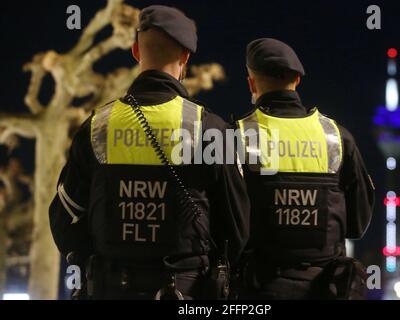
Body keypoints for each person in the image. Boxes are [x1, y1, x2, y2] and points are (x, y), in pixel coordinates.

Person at [49, 5, 250, 300]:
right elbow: (238, 228)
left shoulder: (96, 128)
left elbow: (65, 220)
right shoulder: (212, 129)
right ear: (185, 57)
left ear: (135, 51)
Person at [235, 38, 375, 299]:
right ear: (297, 80)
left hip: (258, 288)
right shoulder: (336, 137)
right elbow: (357, 223)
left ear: (251, 83)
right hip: (324, 288)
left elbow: (226, 223)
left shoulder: (238, 135)